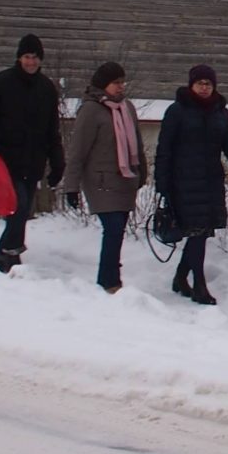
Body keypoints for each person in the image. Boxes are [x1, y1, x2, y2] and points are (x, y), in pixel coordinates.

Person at [154, 64, 228, 305]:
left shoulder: (220, 112)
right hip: (184, 182)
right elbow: (164, 150)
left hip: (210, 181)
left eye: (208, 84)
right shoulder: (177, 111)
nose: (204, 88)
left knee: (200, 232)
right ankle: (199, 285)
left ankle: (181, 278)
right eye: (200, 83)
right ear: (191, 85)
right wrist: (162, 182)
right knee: (197, 232)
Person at [0, 34, 65, 273]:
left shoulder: (47, 88)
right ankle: (6, 252)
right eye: (27, 57)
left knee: (22, 210)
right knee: (19, 205)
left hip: (34, 159)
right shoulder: (3, 82)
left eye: (35, 58)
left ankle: (7, 256)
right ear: (19, 58)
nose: (31, 62)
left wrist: (57, 161)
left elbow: (52, 129)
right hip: (7, 158)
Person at [62, 62, 147, 293]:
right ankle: (109, 280)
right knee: (113, 227)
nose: (121, 87)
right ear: (103, 85)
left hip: (125, 178)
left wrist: (143, 171)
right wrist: (71, 186)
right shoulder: (91, 110)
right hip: (100, 181)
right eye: (116, 83)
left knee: (118, 229)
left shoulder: (126, 108)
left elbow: (137, 143)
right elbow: (78, 151)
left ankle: (110, 276)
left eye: (122, 82)